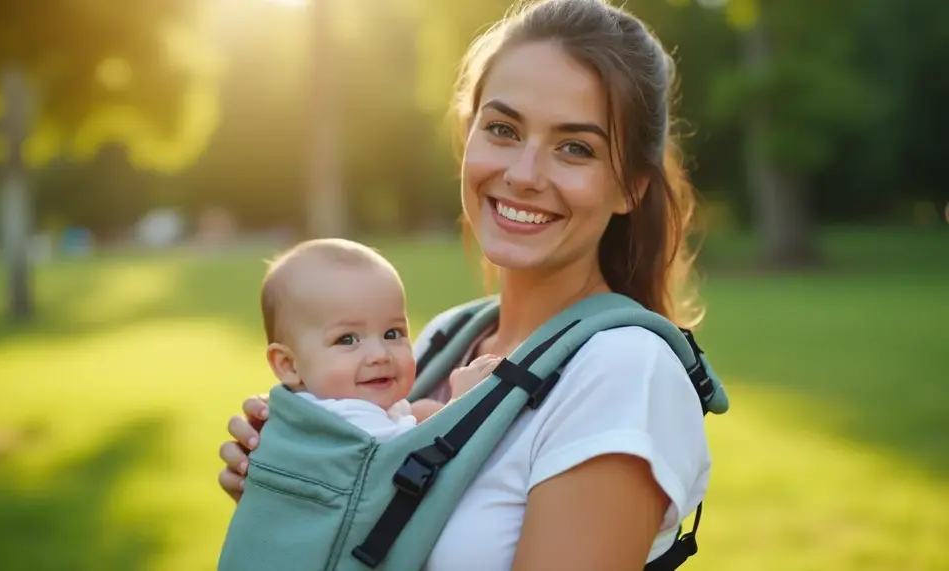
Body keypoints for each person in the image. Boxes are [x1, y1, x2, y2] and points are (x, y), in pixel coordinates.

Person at [219, 0, 713, 568]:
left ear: (631, 187)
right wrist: (297, 494)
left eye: (575, 147)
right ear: (468, 134)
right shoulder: (444, 340)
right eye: (503, 129)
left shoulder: (623, 373)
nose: (524, 174)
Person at [257, 237, 502, 442]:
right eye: (347, 339)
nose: (380, 354)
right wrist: (462, 402)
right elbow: (413, 455)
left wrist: (421, 412)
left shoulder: (325, 409)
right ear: (288, 364)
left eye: (392, 334)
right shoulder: (342, 420)